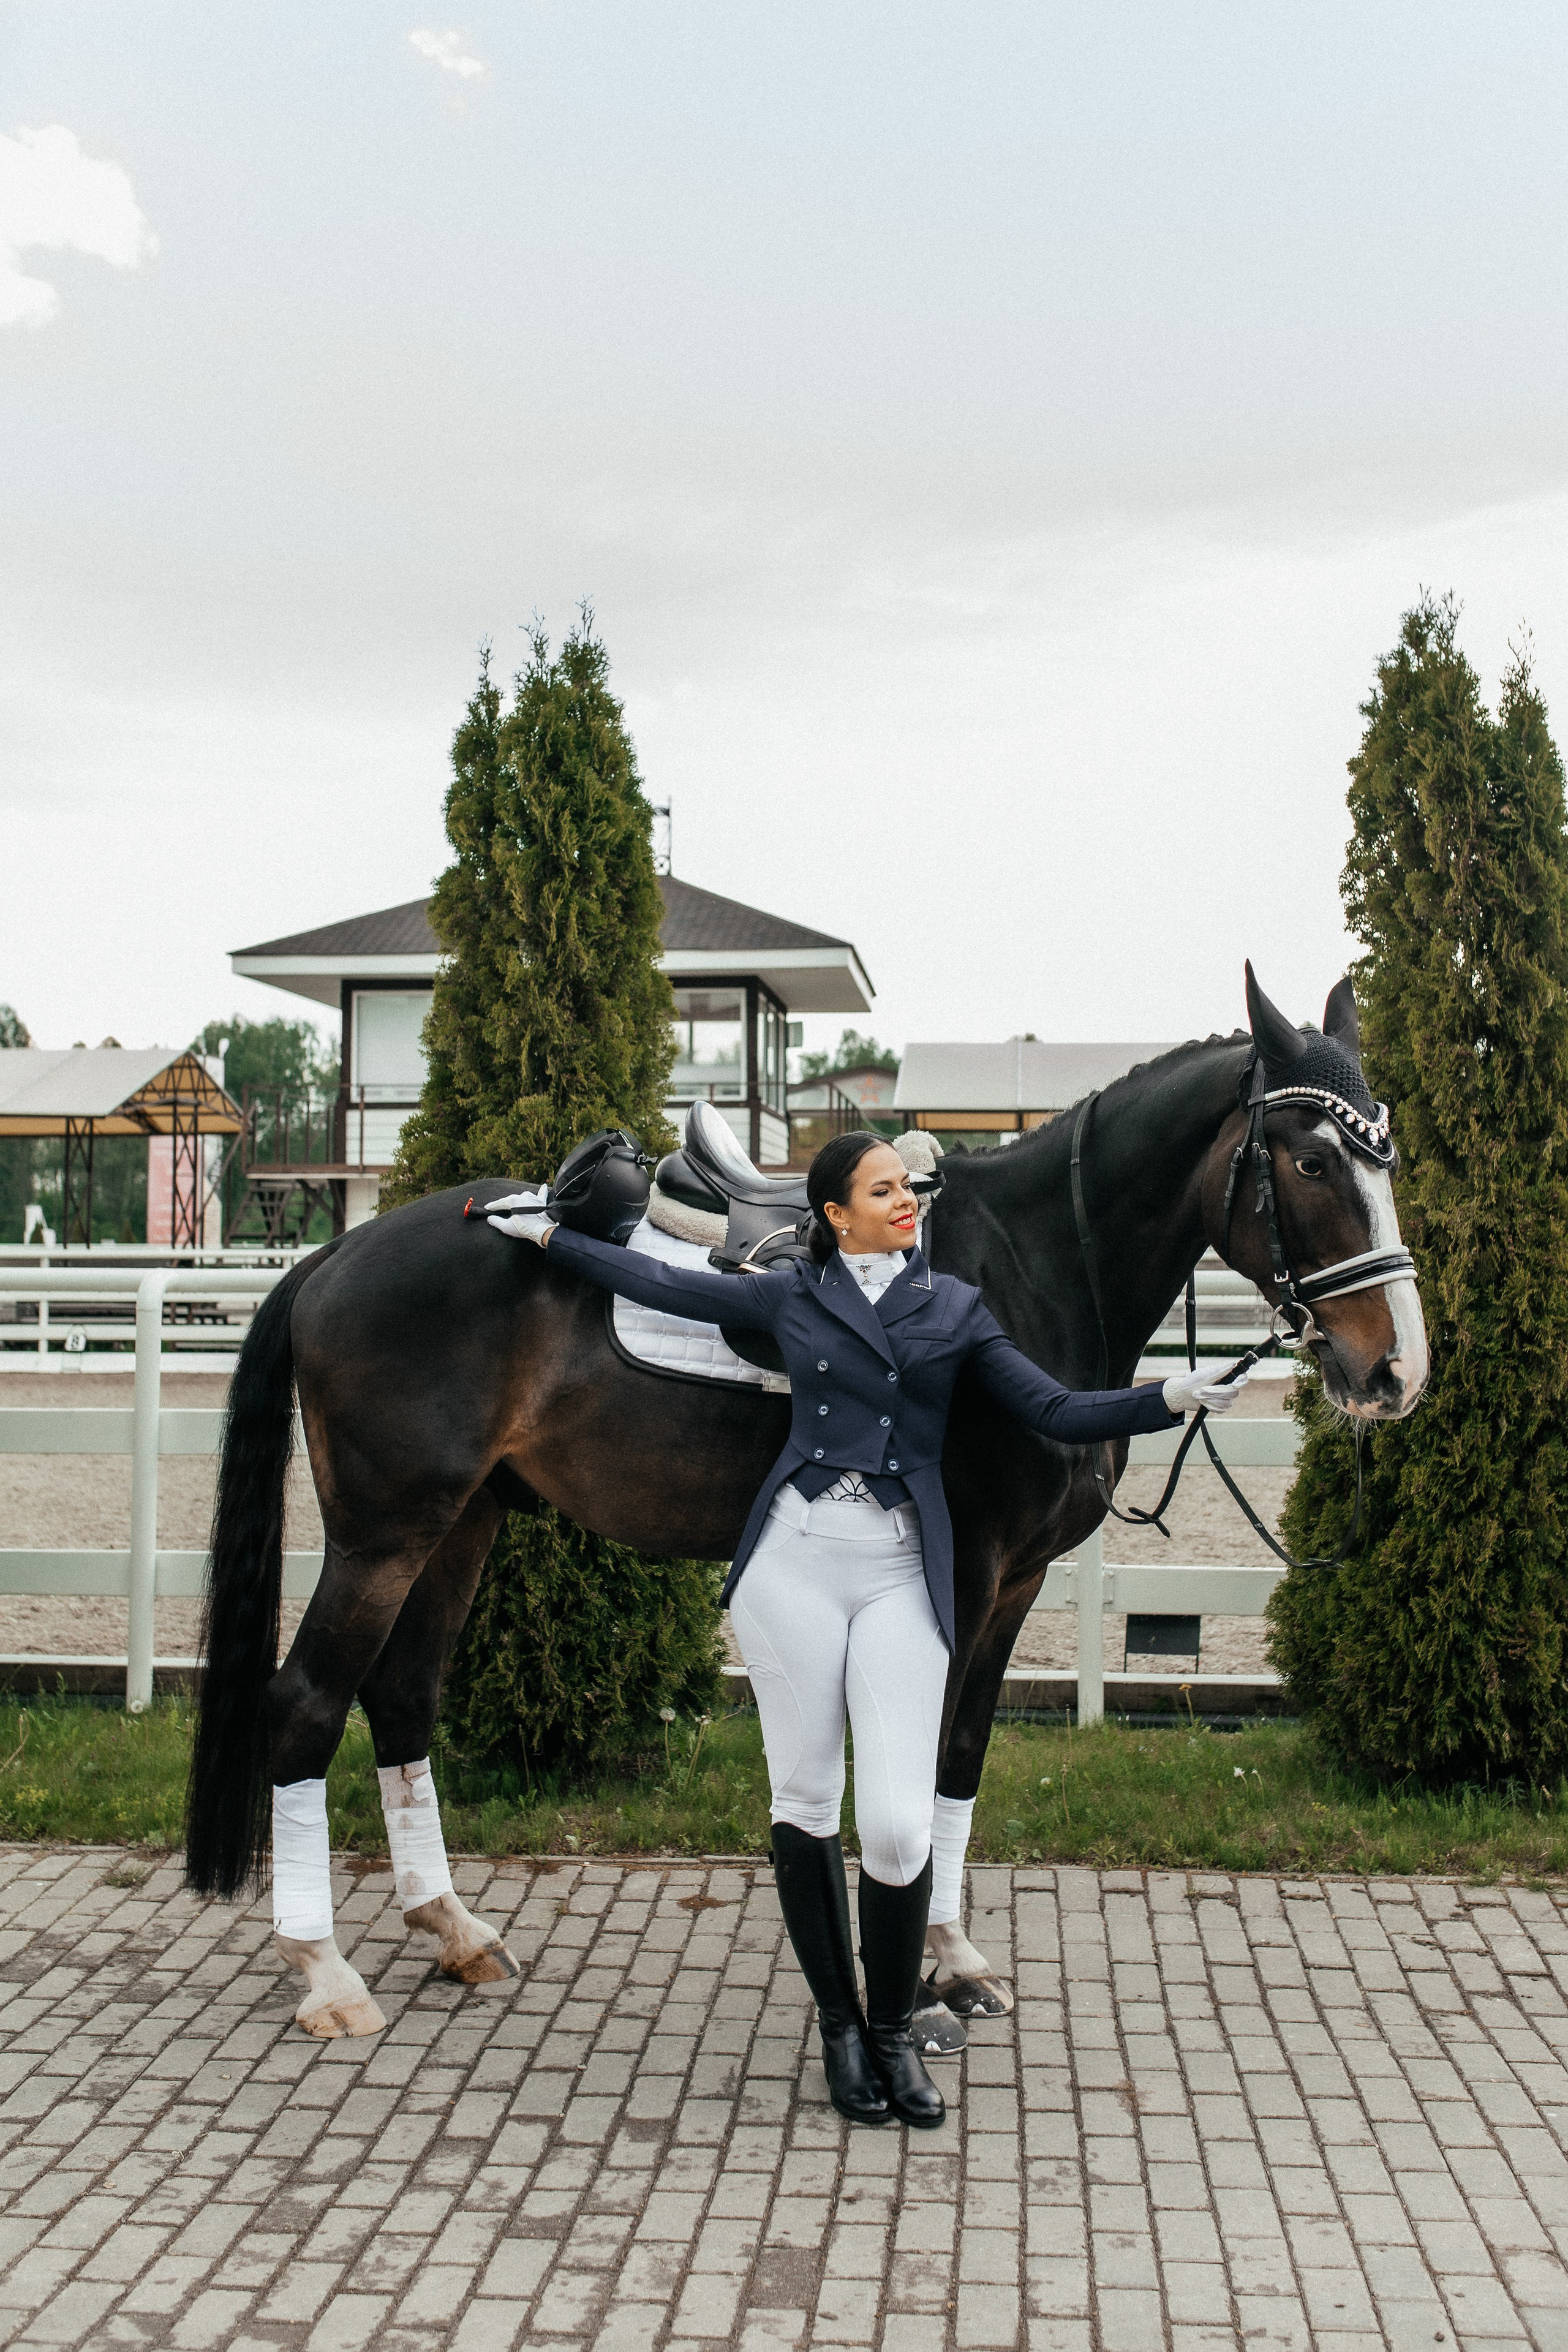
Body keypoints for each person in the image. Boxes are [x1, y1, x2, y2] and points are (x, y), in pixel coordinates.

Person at [490, 1130, 1246, 2128]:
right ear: (837, 1217)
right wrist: (552, 1238)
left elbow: (1056, 1408)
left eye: (909, 1187)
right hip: (792, 1569)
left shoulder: (956, 1307)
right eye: (884, 1190)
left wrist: (1169, 1398)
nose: (908, 1201)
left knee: (893, 1825)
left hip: (899, 1576)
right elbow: (662, 1285)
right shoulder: (790, 1296)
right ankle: (843, 2031)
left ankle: (891, 2030)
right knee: (806, 1804)